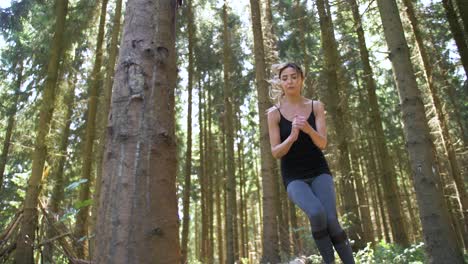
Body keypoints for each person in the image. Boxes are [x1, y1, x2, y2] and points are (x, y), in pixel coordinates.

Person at [267, 62, 355, 264]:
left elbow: (322, 143)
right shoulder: (274, 114)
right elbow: (275, 152)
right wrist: (292, 136)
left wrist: (307, 129)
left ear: (302, 79)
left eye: (294, 76)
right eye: (285, 78)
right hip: (293, 176)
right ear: (280, 83)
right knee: (316, 212)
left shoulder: (316, 106)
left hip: (319, 170)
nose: (290, 81)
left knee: (332, 220)